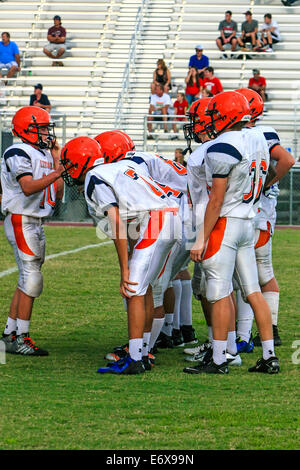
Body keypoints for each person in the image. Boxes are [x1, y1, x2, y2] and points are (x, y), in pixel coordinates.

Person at [60, 133, 182, 375]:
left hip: (158, 220)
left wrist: (124, 267)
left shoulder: (95, 177)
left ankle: (135, 358)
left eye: (69, 164)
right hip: (168, 216)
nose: (67, 170)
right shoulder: (119, 167)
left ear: (80, 161)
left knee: (134, 287)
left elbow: (116, 222)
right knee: (143, 287)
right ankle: (143, 352)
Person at [185, 91, 280, 375]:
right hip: (249, 221)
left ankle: (219, 357)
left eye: (214, 115)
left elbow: (216, 199)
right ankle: (269, 355)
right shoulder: (259, 138)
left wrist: (201, 236)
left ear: (225, 116)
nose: (211, 121)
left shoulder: (222, 146)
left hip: (226, 222)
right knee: (252, 290)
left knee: (218, 290)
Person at [0, 106, 64, 356]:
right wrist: (57, 171)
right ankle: (20, 338)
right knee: (32, 279)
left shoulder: (44, 153)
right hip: (21, 218)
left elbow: (57, 193)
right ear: (26, 129)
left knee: (27, 278)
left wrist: (57, 160)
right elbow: (27, 187)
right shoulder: (18, 151)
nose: (47, 134)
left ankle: (10, 333)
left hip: (35, 220)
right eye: (42, 129)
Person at [235, 88, 295, 349]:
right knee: (255, 271)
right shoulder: (254, 133)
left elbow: (287, 160)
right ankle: (263, 330)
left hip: (255, 210)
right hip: (255, 210)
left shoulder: (258, 133)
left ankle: (258, 331)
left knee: (255, 271)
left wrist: (263, 185)